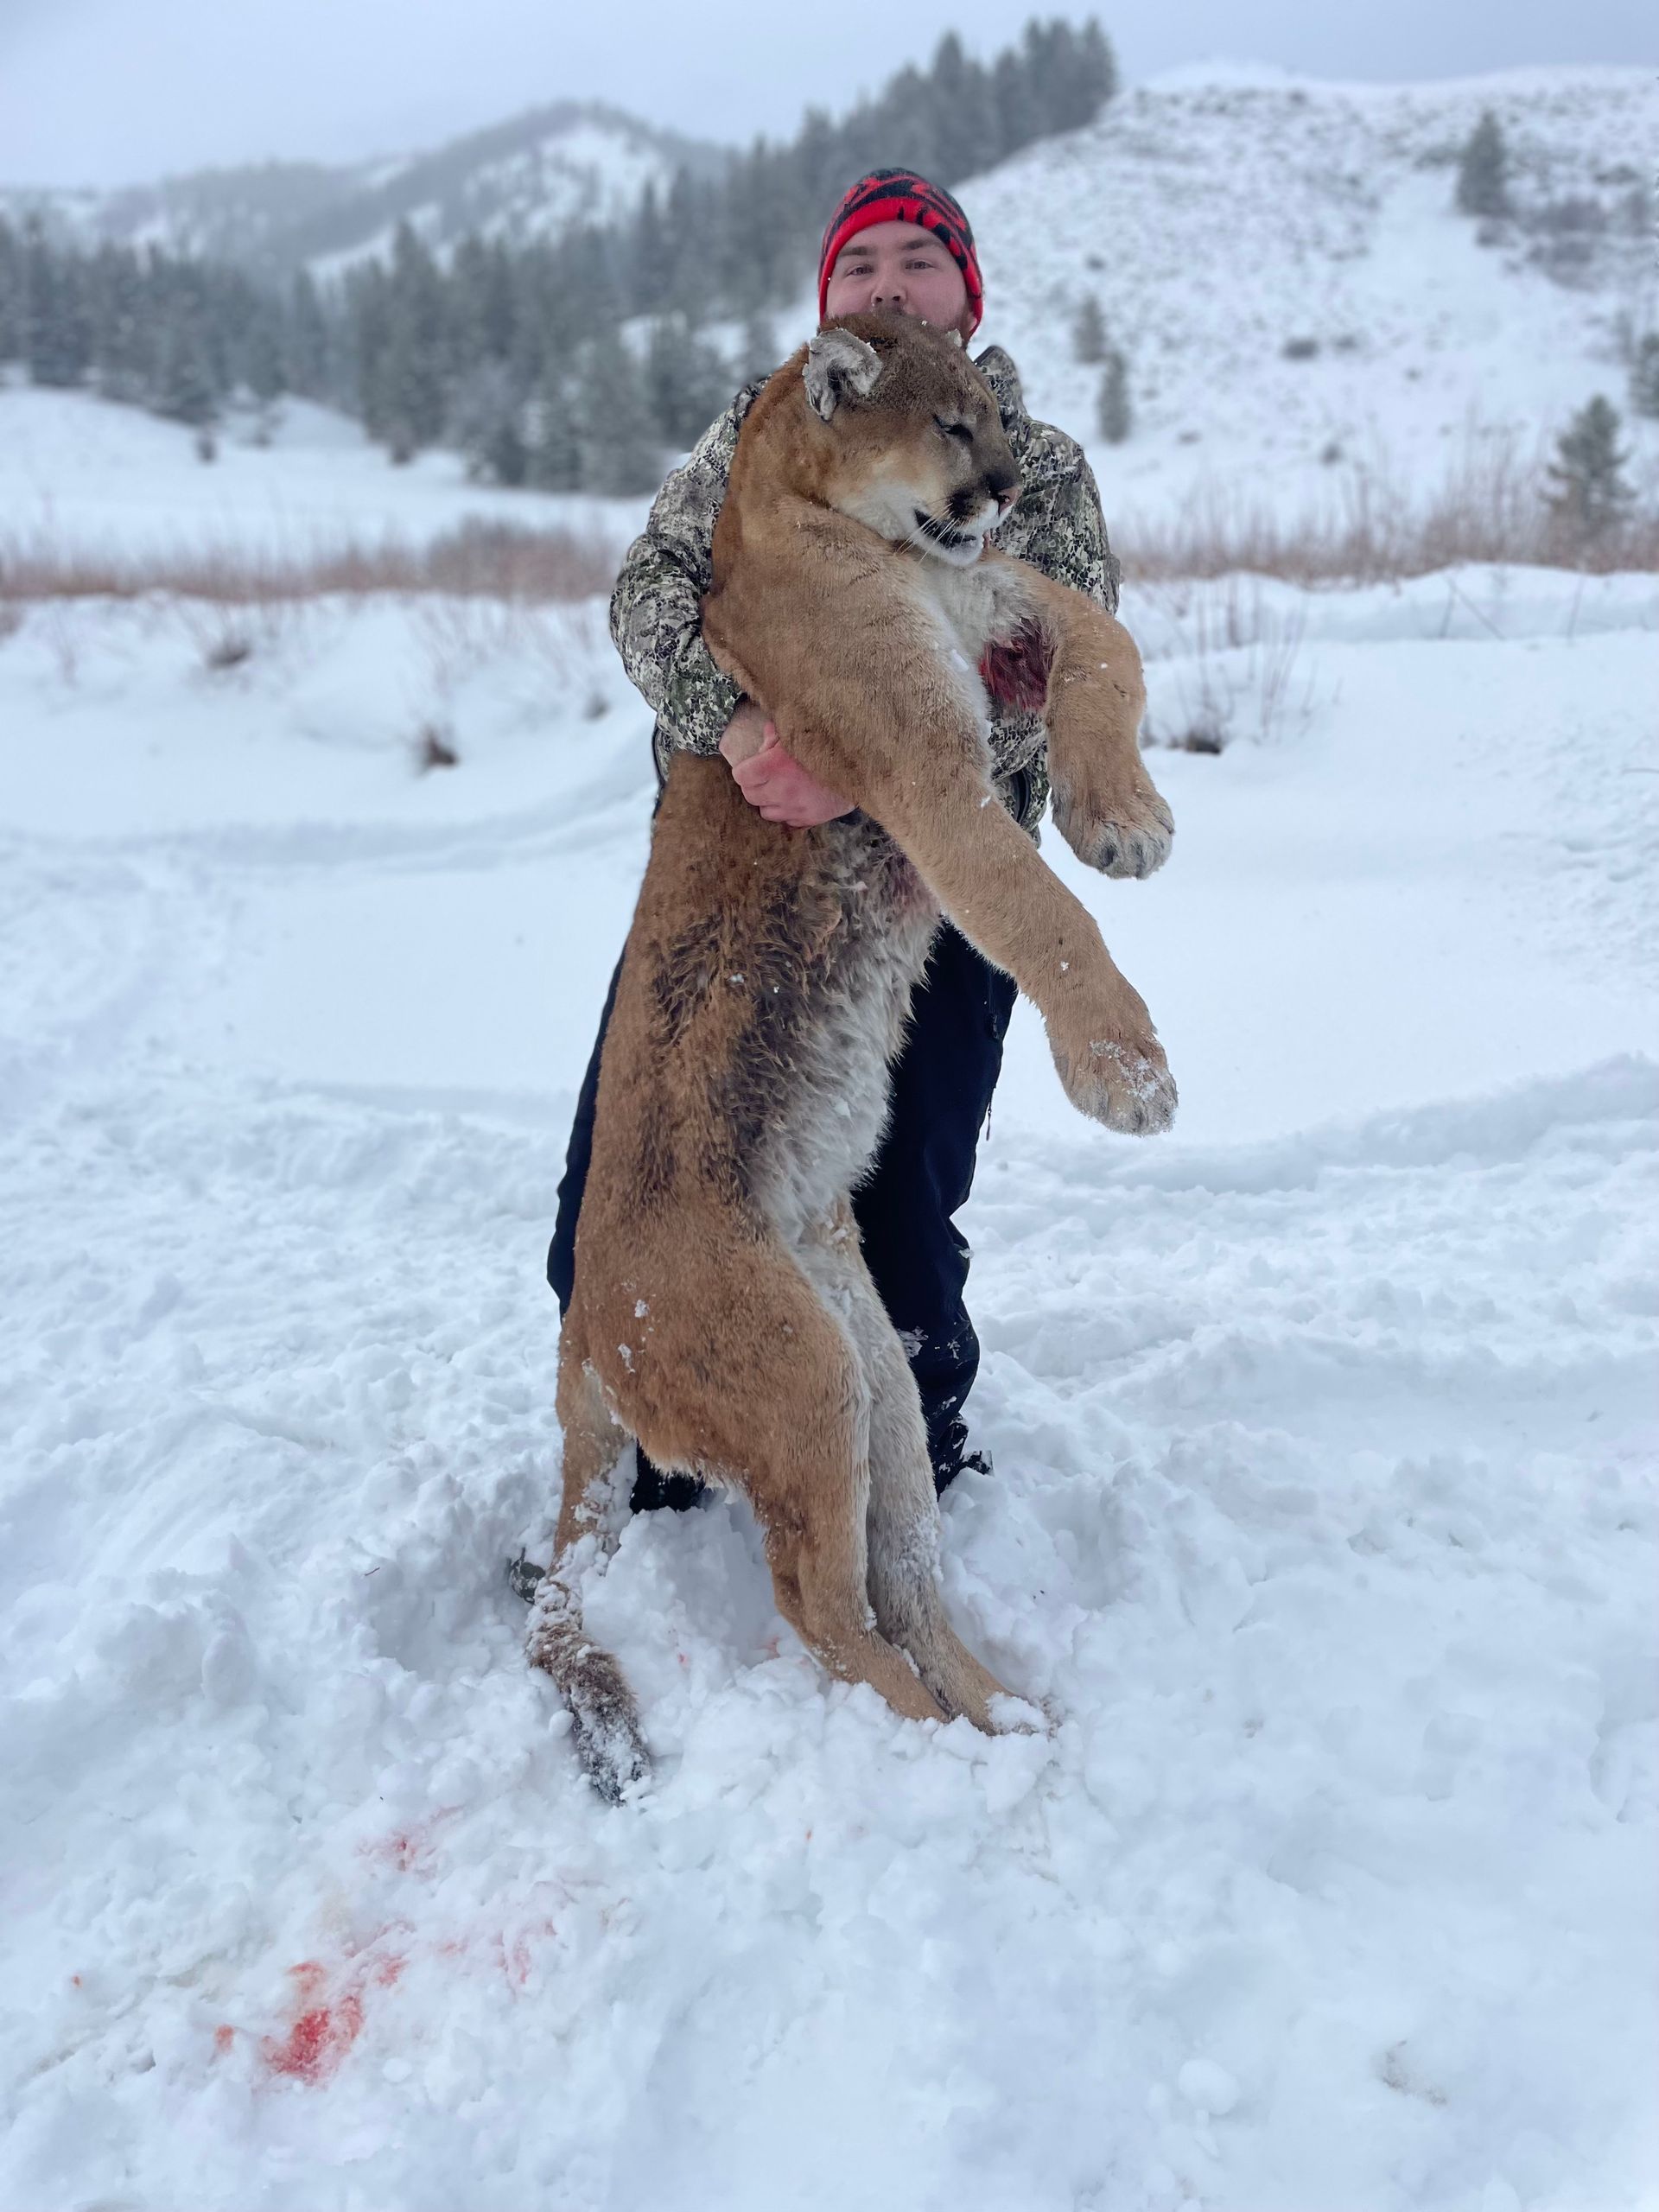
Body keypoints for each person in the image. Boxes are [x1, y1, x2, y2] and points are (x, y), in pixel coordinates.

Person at [548, 168, 1122, 1508]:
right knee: (625, 1199)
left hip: (936, 897)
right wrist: (751, 732)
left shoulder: (1028, 463)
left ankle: (908, 1467)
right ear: (826, 306)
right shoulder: (769, 430)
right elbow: (647, 597)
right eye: (858, 266)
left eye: (917, 260)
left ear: (965, 297)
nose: (884, 284)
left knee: (899, 1210)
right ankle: (663, 1459)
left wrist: (861, 771)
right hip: (734, 889)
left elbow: (1051, 658)